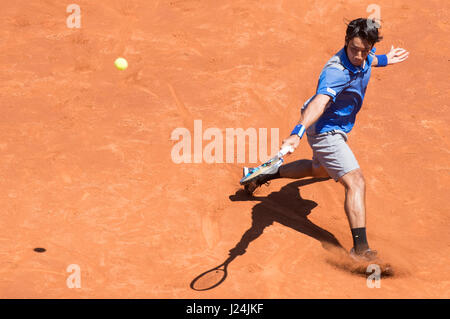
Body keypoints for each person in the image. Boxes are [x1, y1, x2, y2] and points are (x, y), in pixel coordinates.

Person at [243, 18, 409, 261]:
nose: (358, 55)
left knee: (319, 170)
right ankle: (360, 250)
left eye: (365, 50)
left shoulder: (364, 54)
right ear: (345, 43)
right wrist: (296, 133)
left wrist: (384, 59)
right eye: (354, 49)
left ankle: (263, 174)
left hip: (339, 128)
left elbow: (370, 59)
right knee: (355, 182)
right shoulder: (335, 72)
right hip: (325, 131)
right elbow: (319, 102)